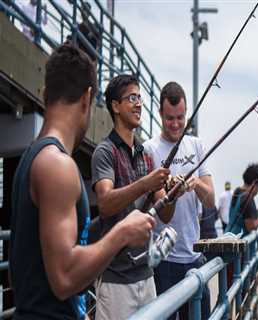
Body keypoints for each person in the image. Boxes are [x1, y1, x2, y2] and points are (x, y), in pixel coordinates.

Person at [9, 44, 155, 319]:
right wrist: (122, 233)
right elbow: (64, 278)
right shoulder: (58, 166)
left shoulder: (32, 156)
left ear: (44, 95)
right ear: (88, 99)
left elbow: (31, 269)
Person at [91, 74, 173, 319]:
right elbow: (105, 204)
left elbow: (166, 214)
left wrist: (174, 193)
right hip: (115, 278)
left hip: (146, 275)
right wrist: (145, 183)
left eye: (140, 98)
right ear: (115, 106)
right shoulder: (105, 151)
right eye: (132, 98)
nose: (139, 104)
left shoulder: (145, 155)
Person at [143, 81, 215, 320]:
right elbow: (162, 210)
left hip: (195, 257)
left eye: (181, 118)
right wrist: (173, 192)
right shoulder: (149, 150)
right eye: (169, 118)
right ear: (160, 113)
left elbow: (211, 200)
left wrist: (195, 184)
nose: (175, 125)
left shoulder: (196, 145)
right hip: (164, 261)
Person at [226, 163, 258, 235]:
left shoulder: (237, 192)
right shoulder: (248, 197)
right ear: (254, 183)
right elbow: (251, 226)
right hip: (240, 242)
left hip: (228, 236)